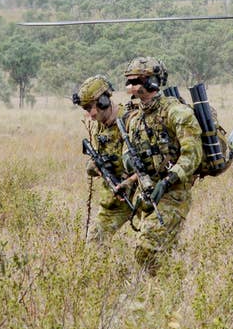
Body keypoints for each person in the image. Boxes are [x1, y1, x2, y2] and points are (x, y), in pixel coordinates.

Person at [120, 57, 203, 272]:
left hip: (174, 195)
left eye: (137, 81)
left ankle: (168, 285)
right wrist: (130, 172)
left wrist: (167, 182)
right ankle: (172, 287)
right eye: (129, 82)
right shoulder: (135, 118)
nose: (132, 87)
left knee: (145, 250)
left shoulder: (176, 113)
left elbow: (192, 155)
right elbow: (132, 153)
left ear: (152, 82)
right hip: (147, 195)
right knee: (165, 252)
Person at [74, 74, 134, 242]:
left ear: (103, 101)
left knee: (149, 248)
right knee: (94, 243)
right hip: (116, 199)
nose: (90, 114)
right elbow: (97, 159)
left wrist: (128, 181)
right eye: (85, 110)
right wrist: (95, 167)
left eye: (90, 107)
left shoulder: (130, 121)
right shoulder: (99, 128)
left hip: (143, 195)